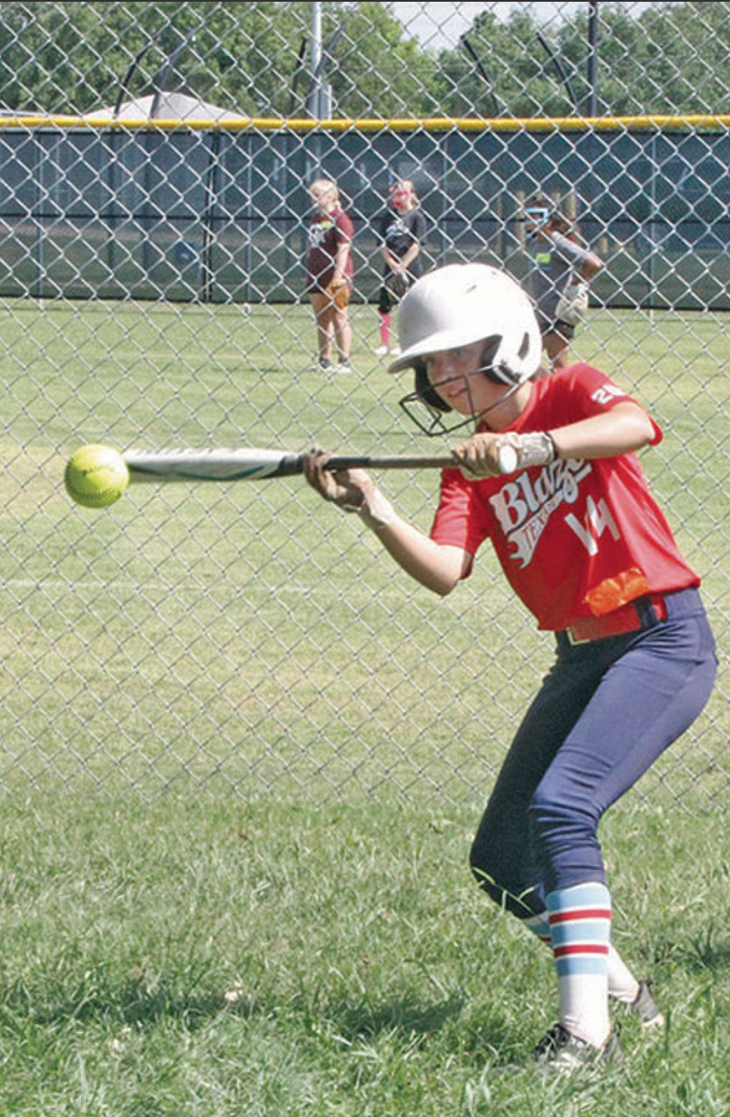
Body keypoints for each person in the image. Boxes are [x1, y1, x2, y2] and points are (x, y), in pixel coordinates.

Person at [303, 263, 716, 1070]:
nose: (448, 377)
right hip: (581, 658)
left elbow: (636, 425)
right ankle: (629, 995)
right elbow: (446, 569)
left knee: (562, 808)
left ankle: (586, 1036)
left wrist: (532, 446)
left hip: (660, 637)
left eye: (465, 354)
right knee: (500, 857)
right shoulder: (468, 465)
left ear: (515, 342)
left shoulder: (568, 393)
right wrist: (374, 508)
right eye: (433, 365)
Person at [523, 195, 604, 371]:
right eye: (527, 215)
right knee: (528, 362)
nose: (530, 220)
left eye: (535, 215)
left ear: (549, 219)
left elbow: (593, 263)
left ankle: (560, 395)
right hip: (538, 313)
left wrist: (575, 282)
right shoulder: (534, 243)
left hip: (557, 315)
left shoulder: (557, 241)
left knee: (558, 365)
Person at [373, 178, 427, 358]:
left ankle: (403, 343)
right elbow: (382, 244)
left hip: (410, 266)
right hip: (392, 266)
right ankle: (384, 343)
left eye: (402, 194)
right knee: (385, 305)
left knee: (408, 305)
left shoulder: (417, 217)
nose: (398, 198)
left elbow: (416, 245)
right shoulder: (388, 216)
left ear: (410, 195)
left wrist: (403, 265)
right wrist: (392, 264)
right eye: (395, 194)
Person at [304, 177, 354, 371]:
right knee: (322, 317)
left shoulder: (340, 219)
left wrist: (338, 277)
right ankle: (324, 359)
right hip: (316, 273)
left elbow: (343, 249)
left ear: (331, 196)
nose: (315, 199)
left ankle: (344, 360)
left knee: (339, 316)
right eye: (313, 195)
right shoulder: (317, 219)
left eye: (318, 195)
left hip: (336, 275)